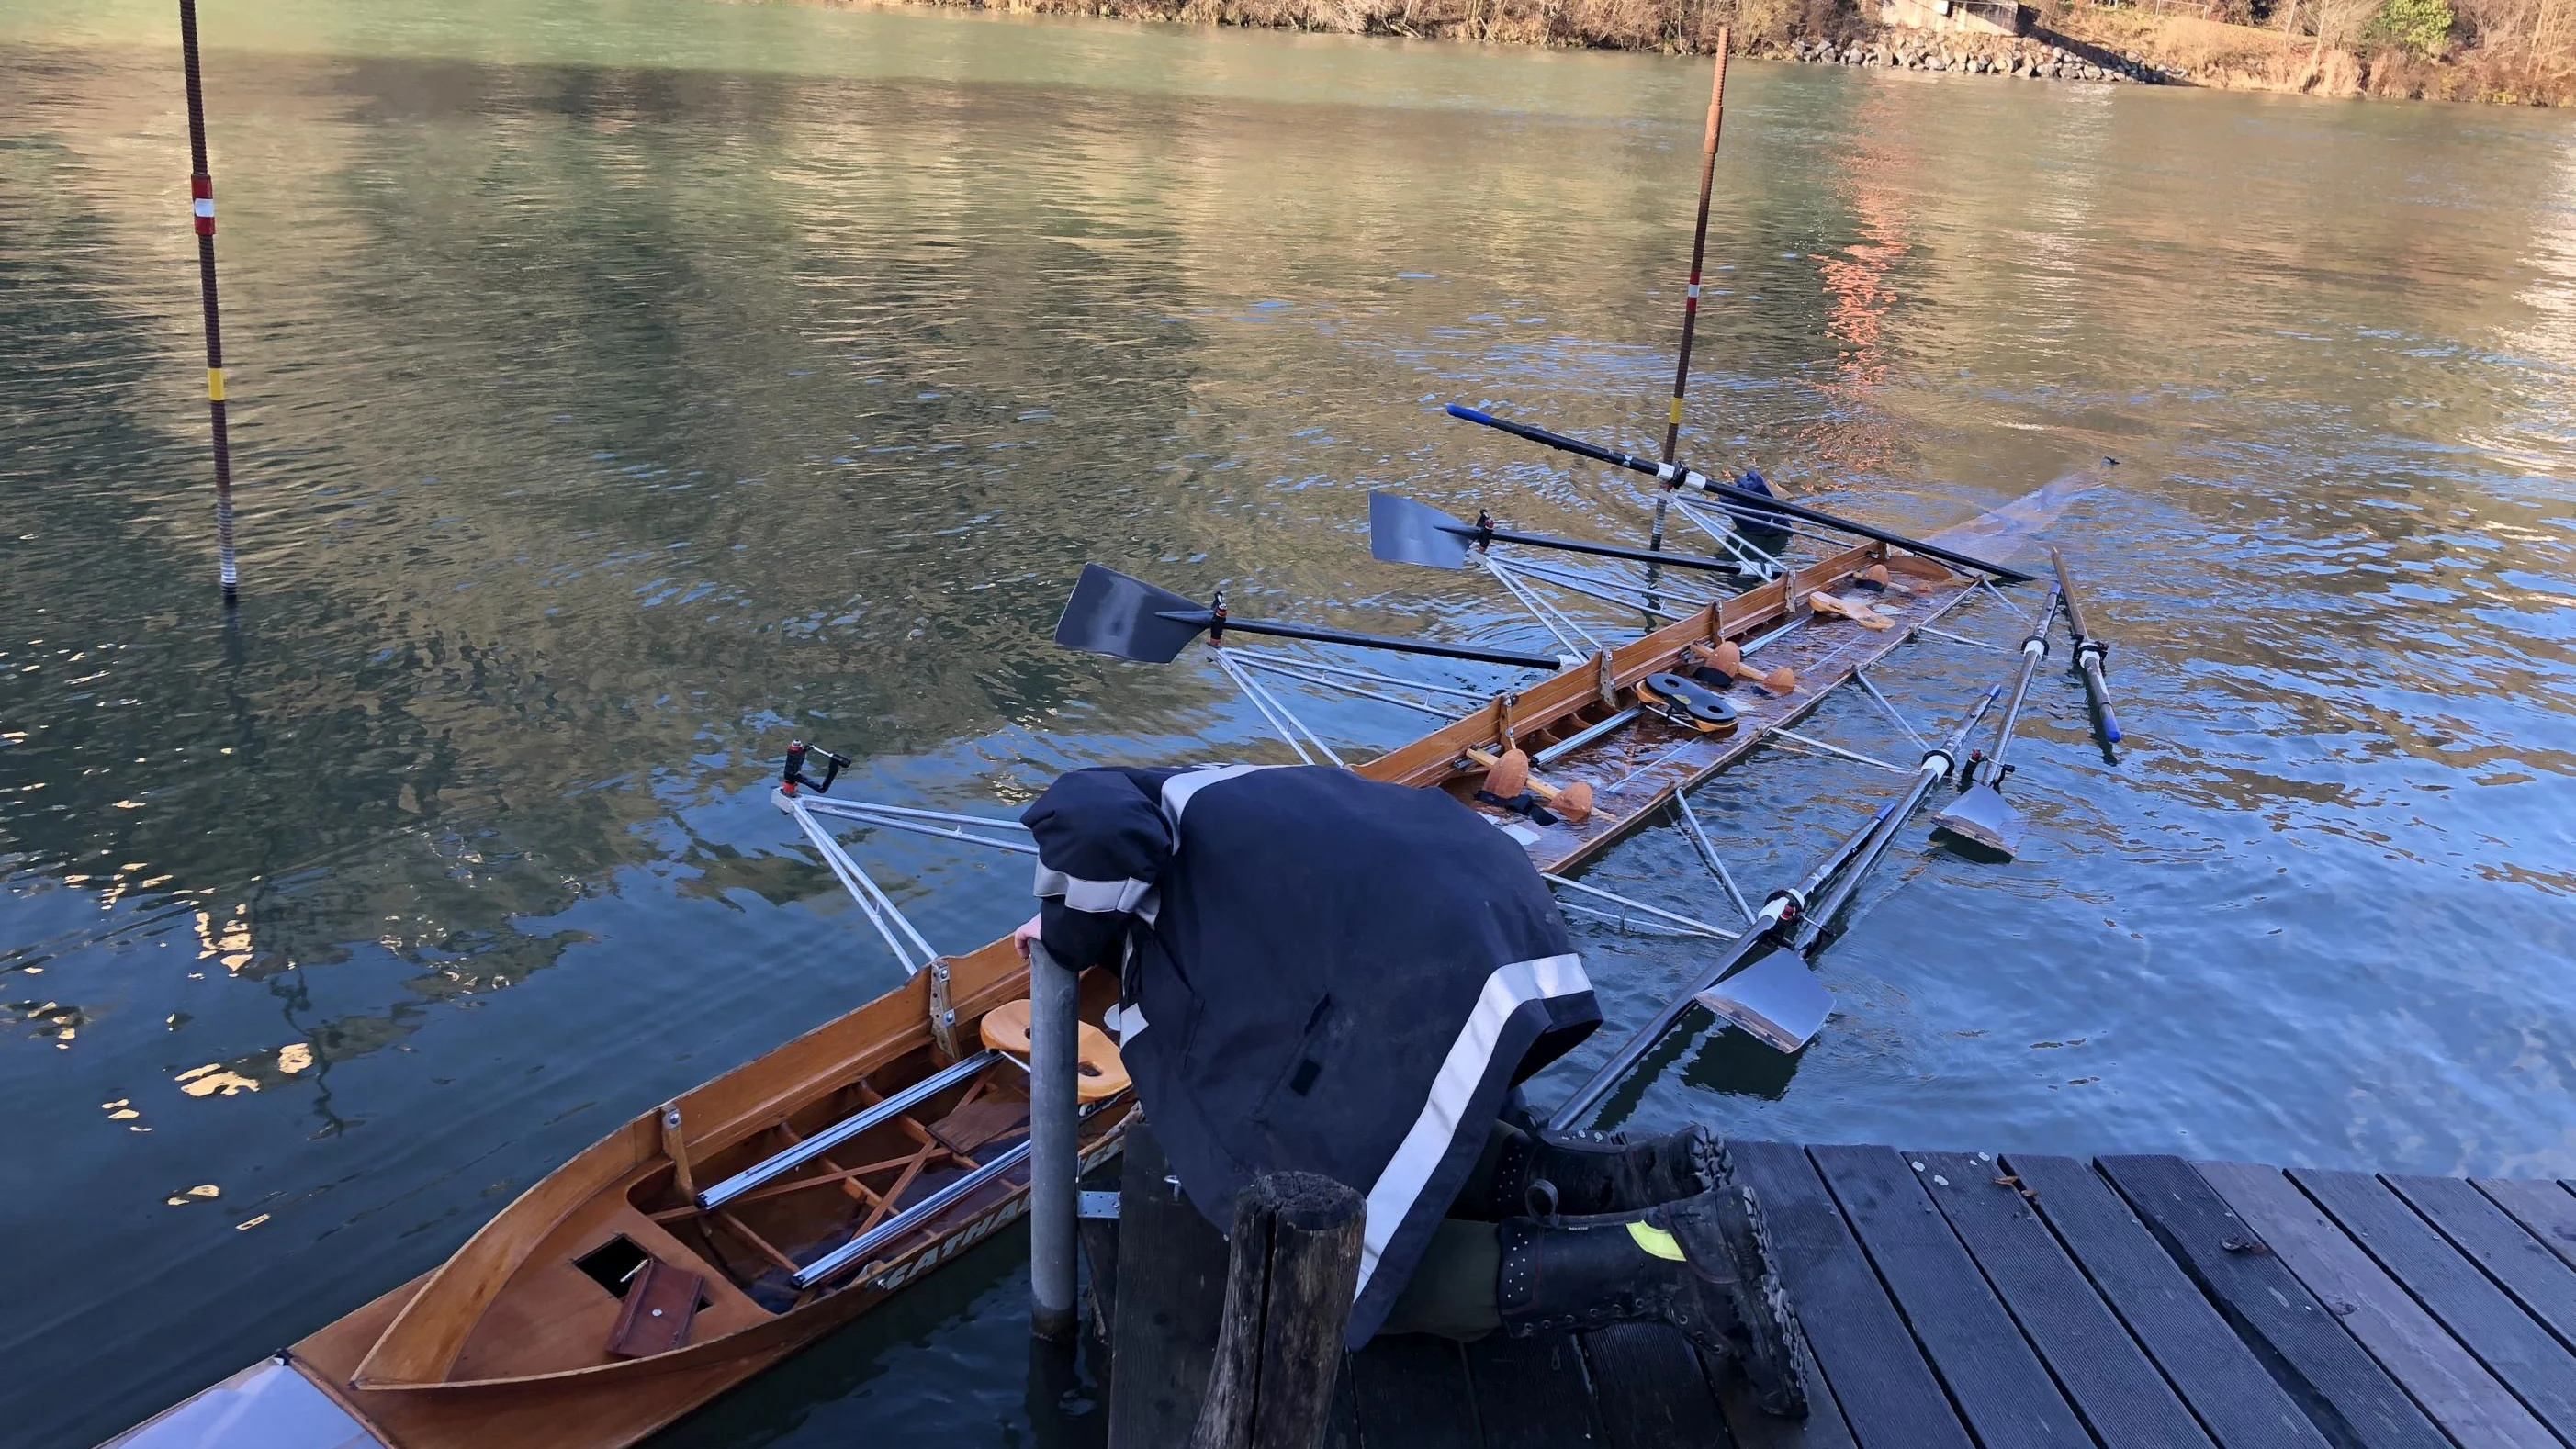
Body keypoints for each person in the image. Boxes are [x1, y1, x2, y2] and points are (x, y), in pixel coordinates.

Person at [1013, 761, 1808, 1416]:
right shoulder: (1229, 802)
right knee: (1398, 1128)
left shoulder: (1109, 797)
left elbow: (1097, 828)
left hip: (1406, 955)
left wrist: (1064, 935)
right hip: (1483, 905)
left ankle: (1676, 1259)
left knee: (1331, 1268)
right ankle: (1641, 1175)